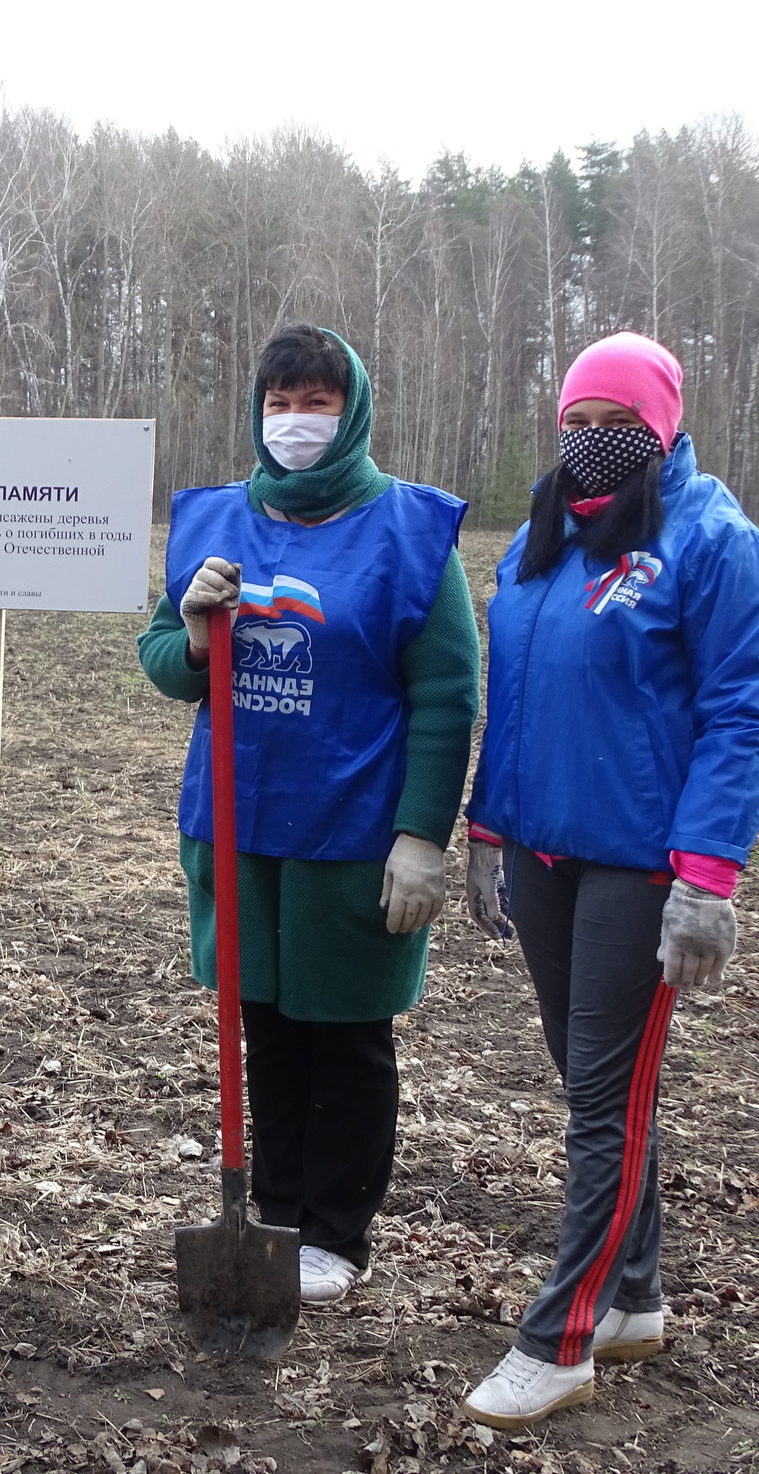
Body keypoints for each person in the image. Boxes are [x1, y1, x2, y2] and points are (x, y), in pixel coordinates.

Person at [458, 332, 759, 1428]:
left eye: (617, 423)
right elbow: (511, 696)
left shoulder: (711, 540)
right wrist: (487, 828)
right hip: (545, 851)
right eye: (577, 421)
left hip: (643, 865)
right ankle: (633, 1294)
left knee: (603, 1099)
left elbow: (744, 716)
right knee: (594, 1084)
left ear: (660, 425)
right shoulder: (543, 540)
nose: (593, 441)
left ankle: (557, 1338)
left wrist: (707, 877)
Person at [138, 324, 480, 1306]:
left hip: (352, 833)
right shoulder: (212, 521)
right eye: (279, 402)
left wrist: (421, 834)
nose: (294, 422)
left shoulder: (409, 534)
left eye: (315, 402)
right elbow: (163, 666)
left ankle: (336, 1229)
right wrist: (197, 631)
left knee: (346, 1034)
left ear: (352, 411)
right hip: (239, 827)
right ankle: (273, 1211)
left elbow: (446, 692)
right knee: (265, 1028)